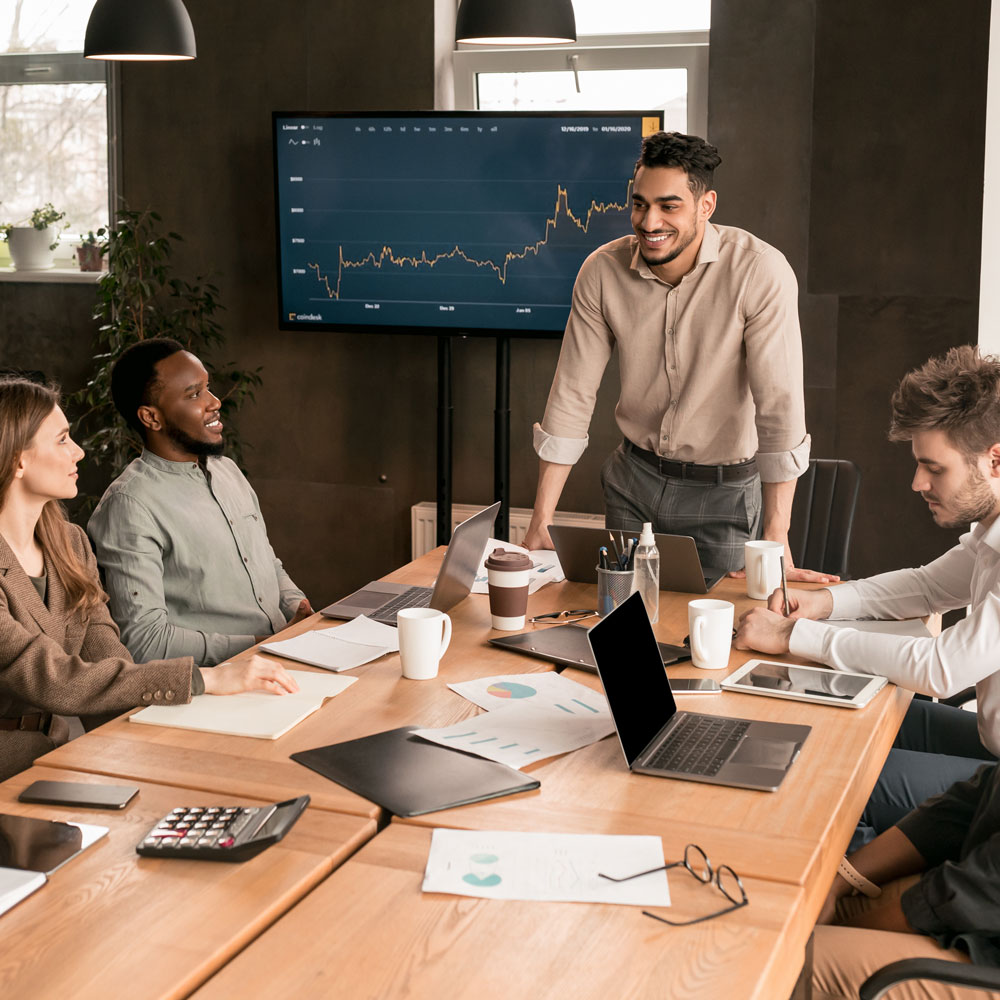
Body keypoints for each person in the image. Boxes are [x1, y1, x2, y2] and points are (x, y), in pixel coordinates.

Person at [522, 130, 825, 580]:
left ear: (706, 206)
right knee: (622, 626)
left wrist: (777, 534)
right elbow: (572, 394)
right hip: (632, 482)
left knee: (719, 638)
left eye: (669, 206)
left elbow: (779, 408)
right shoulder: (601, 272)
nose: (649, 222)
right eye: (640, 203)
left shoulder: (760, 271)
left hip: (724, 494)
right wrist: (541, 517)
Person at [736, 345, 1000, 847]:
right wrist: (823, 603)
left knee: (825, 772)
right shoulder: (992, 532)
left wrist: (795, 635)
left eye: (934, 468)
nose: (917, 481)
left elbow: (941, 670)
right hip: (990, 744)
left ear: (995, 460)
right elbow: (925, 586)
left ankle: (839, 903)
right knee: (854, 718)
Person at [0, 377, 299, 782]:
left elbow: (108, 661)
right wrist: (204, 678)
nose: (79, 451)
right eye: (63, 440)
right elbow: (50, 678)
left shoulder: (69, 544)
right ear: (18, 460)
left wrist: (161, 747)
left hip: (55, 754)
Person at [88, 338, 312, 667]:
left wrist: (301, 612)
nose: (214, 401)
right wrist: (263, 645)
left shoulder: (228, 471)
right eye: (194, 394)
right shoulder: (129, 505)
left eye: (208, 387)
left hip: (281, 662)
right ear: (151, 417)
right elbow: (143, 641)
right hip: (216, 689)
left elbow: (265, 563)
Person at [812, 761, 1000, 1000]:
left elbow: (968, 896)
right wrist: (839, 883)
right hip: (966, 893)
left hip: (988, 954)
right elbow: (962, 807)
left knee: (792, 959)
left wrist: (838, 932)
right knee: (801, 909)